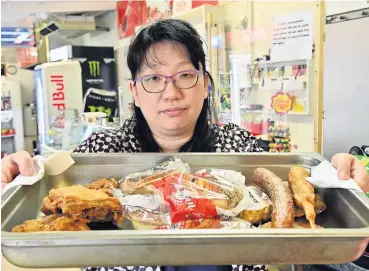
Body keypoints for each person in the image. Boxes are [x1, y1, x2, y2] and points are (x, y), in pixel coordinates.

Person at [2, 19, 369, 271]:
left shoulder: (239, 147)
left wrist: (339, 179)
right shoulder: (102, 151)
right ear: (134, 92)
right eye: (153, 79)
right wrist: (18, 177)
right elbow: (48, 205)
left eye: (185, 75)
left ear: (205, 84)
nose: (171, 92)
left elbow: (310, 196)